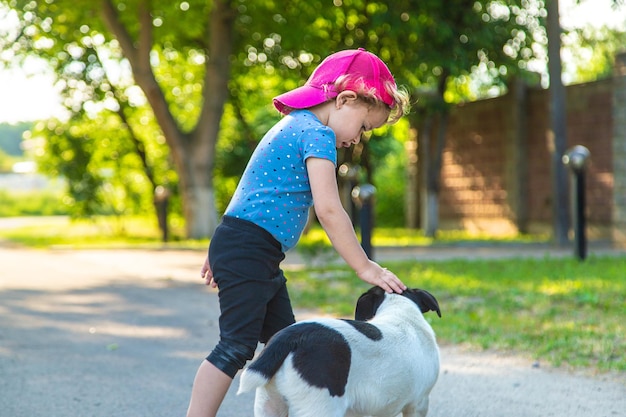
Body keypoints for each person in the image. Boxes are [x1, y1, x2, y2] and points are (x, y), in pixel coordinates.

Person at [186, 48, 411, 417]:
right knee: (235, 346)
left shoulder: (295, 126)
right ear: (345, 99)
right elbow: (329, 210)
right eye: (365, 127)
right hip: (248, 248)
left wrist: (219, 244)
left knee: (286, 344)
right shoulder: (316, 135)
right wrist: (365, 267)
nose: (357, 140)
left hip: (251, 248)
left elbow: (249, 188)